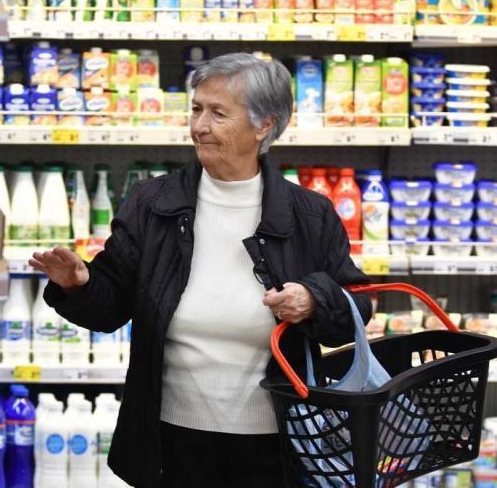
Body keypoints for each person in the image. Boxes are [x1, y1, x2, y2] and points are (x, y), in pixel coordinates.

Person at [29, 52, 371, 488]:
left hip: (276, 439)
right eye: (196, 109)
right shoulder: (154, 203)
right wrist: (80, 284)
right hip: (171, 437)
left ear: (264, 125)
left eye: (218, 113)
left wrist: (314, 300)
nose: (199, 126)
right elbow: (111, 305)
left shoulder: (310, 214)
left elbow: (356, 308)